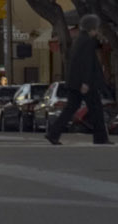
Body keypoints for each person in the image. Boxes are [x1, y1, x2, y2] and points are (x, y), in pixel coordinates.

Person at [47, 14, 112, 146]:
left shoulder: (79, 40)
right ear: (92, 28)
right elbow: (87, 64)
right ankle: (100, 138)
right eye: (97, 28)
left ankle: (53, 133)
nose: (98, 30)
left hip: (75, 82)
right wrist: (86, 82)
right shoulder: (88, 41)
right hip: (85, 83)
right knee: (96, 109)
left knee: (71, 108)